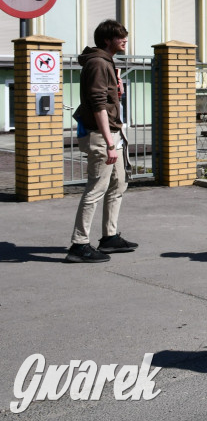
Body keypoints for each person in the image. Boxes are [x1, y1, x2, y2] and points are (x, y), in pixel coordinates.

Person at [66, 19, 136, 264]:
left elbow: (106, 100)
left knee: (118, 184)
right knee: (96, 189)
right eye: (120, 36)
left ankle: (109, 237)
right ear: (107, 40)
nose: (125, 40)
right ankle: (79, 244)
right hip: (100, 135)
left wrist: (117, 90)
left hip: (111, 133)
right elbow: (97, 104)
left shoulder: (106, 62)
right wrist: (108, 142)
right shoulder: (97, 63)